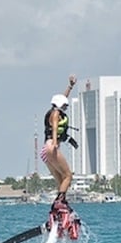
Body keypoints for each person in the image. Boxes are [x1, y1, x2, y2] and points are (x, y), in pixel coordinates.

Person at [40, 74, 77, 209]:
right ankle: (60, 202)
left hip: (45, 150)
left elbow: (63, 97)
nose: (66, 108)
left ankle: (58, 206)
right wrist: (56, 142)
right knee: (68, 176)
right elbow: (55, 127)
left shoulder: (54, 109)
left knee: (60, 179)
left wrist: (70, 87)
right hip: (51, 146)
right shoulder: (55, 114)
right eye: (65, 106)